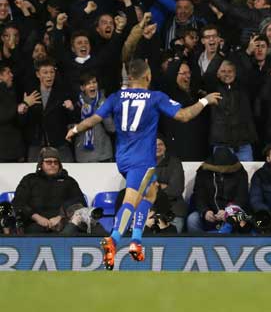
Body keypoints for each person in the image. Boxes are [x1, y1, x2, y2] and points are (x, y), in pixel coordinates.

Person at [65, 59, 221, 269]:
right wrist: (205, 101)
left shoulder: (116, 97)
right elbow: (184, 115)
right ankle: (114, 239)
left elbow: (95, 118)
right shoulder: (155, 97)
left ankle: (136, 241)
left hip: (123, 157)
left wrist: (75, 130)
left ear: (130, 77)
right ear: (147, 76)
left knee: (151, 191)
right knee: (132, 199)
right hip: (141, 159)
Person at [12, 147, 84, 234]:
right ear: (41, 164)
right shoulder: (29, 179)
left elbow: (80, 202)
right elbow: (18, 202)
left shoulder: (69, 181)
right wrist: (36, 217)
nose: (53, 164)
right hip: (34, 223)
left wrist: (61, 217)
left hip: (63, 223)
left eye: (56, 162)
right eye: (48, 162)